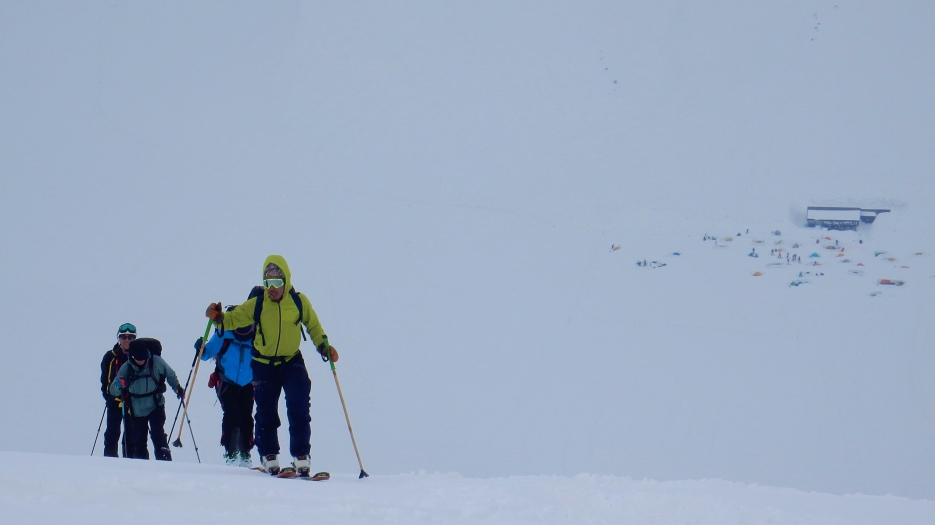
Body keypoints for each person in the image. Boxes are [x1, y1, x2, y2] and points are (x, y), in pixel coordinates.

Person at [205, 255, 338, 478]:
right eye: (268, 283)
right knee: (266, 411)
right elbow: (233, 319)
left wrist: (323, 346)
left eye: (277, 283)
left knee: (299, 405)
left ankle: (301, 457)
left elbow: (314, 326)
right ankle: (269, 456)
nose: (272, 288)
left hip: (292, 360)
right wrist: (219, 318)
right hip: (264, 364)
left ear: (286, 280)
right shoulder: (257, 304)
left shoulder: (299, 301)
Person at [194, 288, 262, 467]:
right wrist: (201, 348)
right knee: (233, 414)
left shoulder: (259, 333)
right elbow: (207, 354)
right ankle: (231, 453)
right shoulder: (226, 331)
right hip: (225, 381)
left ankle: (245, 454)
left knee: (246, 416)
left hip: (248, 382)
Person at [110, 338, 183, 460]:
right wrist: (119, 385)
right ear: (132, 357)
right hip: (136, 409)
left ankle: (164, 461)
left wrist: (178, 389)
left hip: (156, 404)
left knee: (157, 433)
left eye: (143, 357)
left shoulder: (156, 361)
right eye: (138, 359)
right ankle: (143, 467)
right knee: (139, 440)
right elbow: (113, 390)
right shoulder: (126, 368)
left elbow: (170, 374)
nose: (142, 361)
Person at [100, 323, 135, 457]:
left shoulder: (138, 356)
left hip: (132, 402)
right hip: (114, 400)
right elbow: (104, 379)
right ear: (119, 338)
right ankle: (110, 462)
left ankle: (130, 463)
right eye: (123, 337)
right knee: (112, 434)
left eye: (130, 337)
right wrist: (108, 396)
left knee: (131, 436)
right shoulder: (110, 356)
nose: (127, 340)